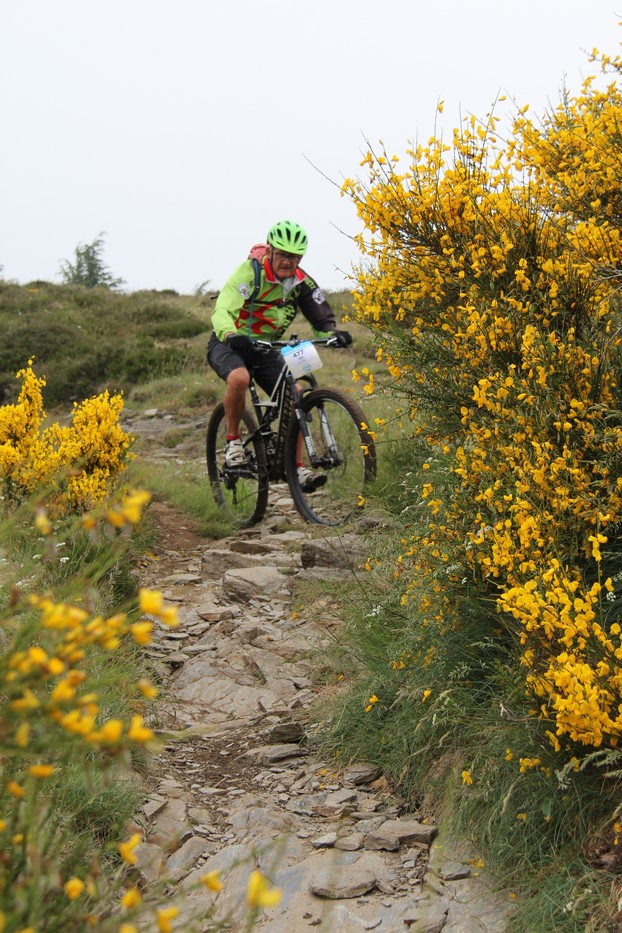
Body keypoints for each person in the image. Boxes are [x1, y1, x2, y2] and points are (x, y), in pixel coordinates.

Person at [207, 220, 352, 492]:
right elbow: (223, 309)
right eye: (283, 255)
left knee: (295, 394)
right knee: (239, 379)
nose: (288, 262)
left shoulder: (300, 280)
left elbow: (320, 314)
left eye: (294, 257)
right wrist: (230, 334)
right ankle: (233, 443)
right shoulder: (250, 273)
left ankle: (297, 468)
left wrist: (333, 332)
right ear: (271, 251)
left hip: (266, 347)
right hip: (229, 342)